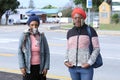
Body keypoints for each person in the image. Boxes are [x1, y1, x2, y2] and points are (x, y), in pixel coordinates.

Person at [64, 7, 100, 80]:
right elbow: (68, 48)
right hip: (72, 68)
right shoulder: (70, 32)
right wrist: (66, 61)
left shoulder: (90, 30)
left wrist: (89, 63)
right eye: (75, 18)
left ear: (83, 18)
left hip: (86, 68)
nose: (77, 20)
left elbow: (96, 48)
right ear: (73, 19)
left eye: (79, 18)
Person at [18, 14, 50, 80]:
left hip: (40, 68)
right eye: (32, 25)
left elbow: (47, 52)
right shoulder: (24, 36)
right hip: (28, 68)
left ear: (38, 25)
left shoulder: (42, 36)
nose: (34, 27)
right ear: (29, 25)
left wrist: (46, 67)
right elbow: (20, 52)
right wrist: (22, 66)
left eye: (36, 25)